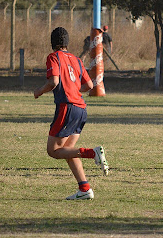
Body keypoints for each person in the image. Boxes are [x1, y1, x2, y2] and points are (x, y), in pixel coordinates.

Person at [34, 27, 109, 200]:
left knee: (53, 151)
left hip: (66, 108)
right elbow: (89, 86)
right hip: (81, 109)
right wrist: (75, 90)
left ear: (52, 43)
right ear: (67, 42)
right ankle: (85, 189)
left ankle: (93, 153)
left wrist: (39, 91)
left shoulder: (53, 57)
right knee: (69, 150)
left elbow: (53, 81)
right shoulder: (76, 59)